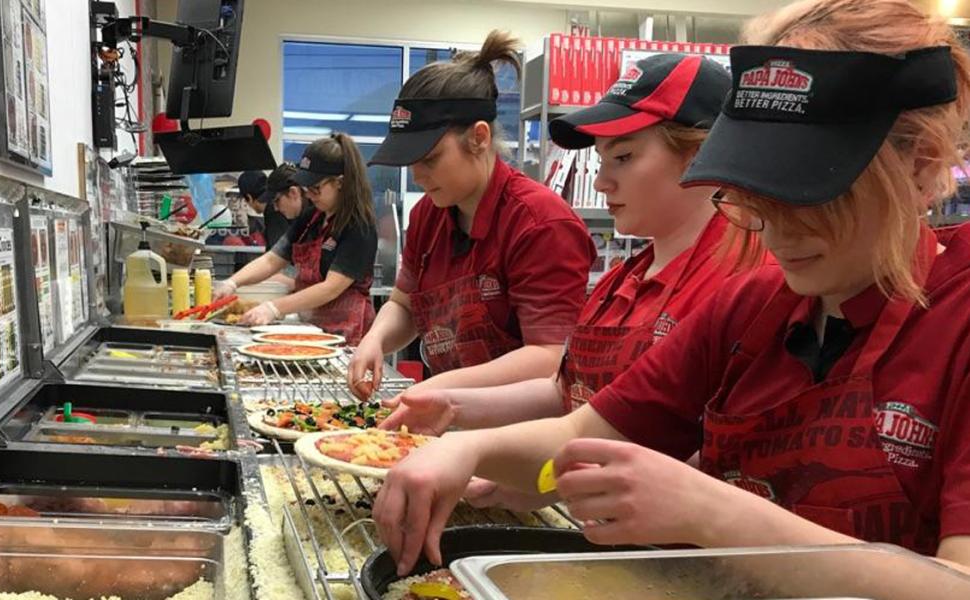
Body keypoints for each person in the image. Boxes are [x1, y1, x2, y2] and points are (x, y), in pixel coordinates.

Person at [373, 0, 970, 576]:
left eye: (809, 185)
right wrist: (464, 448)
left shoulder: (954, 321)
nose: (775, 225)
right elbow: (584, 427)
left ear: (922, 163)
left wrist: (709, 510)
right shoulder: (754, 304)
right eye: (753, 186)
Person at [380, 53, 736, 435]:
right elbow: (568, 396)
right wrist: (454, 416)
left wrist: (475, 441)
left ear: (699, 157)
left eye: (623, 156)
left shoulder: (742, 285)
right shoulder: (620, 283)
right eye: (600, 160)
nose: (600, 183)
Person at [348, 31, 596, 399]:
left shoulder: (541, 224)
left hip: (520, 434)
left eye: (430, 159)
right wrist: (375, 339)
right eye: (410, 163)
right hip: (451, 412)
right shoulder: (429, 215)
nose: (417, 176)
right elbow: (405, 304)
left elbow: (548, 357)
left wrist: (441, 386)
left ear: (479, 137)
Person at [216, 133, 378, 342]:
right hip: (313, 327)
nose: (308, 195)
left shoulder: (359, 225)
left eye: (315, 188)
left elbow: (331, 288)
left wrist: (275, 308)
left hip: (347, 334)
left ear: (340, 182)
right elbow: (272, 260)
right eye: (306, 188)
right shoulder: (312, 218)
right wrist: (231, 282)